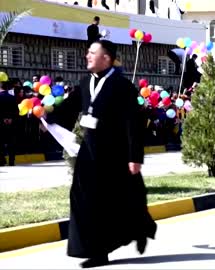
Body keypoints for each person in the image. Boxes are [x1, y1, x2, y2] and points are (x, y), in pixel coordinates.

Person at [46, 40, 157, 268]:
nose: (87, 56)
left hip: (114, 154)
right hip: (89, 150)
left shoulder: (122, 86)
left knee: (110, 201)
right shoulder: (85, 82)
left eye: (92, 53)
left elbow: (132, 123)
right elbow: (70, 107)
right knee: (81, 197)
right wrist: (47, 117)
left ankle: (106, 248)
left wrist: (134, 157)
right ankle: (89, 247)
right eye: (87, 52)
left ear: (106, 58)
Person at [0, 75, 18, 166]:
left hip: (0, 123)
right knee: (11, 142)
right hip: (11, 123)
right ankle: (11, 160)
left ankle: (1, 160)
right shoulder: (12, 97)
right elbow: (16, 111)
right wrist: (10, 119)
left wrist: (3, 119)